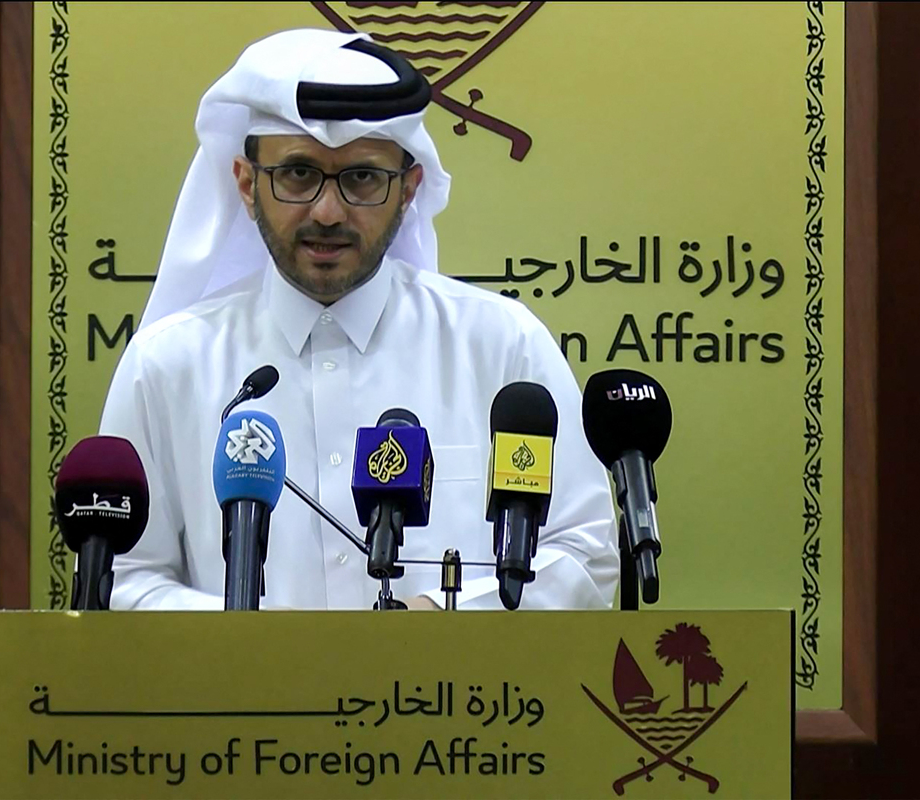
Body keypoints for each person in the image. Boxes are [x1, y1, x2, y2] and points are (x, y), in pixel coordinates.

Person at [98, 28, 619, 611]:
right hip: (245, 699)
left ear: (409, 188)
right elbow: (119, 577)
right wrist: (261, 645)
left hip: (451, 697)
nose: (327, 211)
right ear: (247, 184)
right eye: (298, 174)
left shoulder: (502, 348)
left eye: (362, 178)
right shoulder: (167, 364)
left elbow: (586, 553)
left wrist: (443, 621)